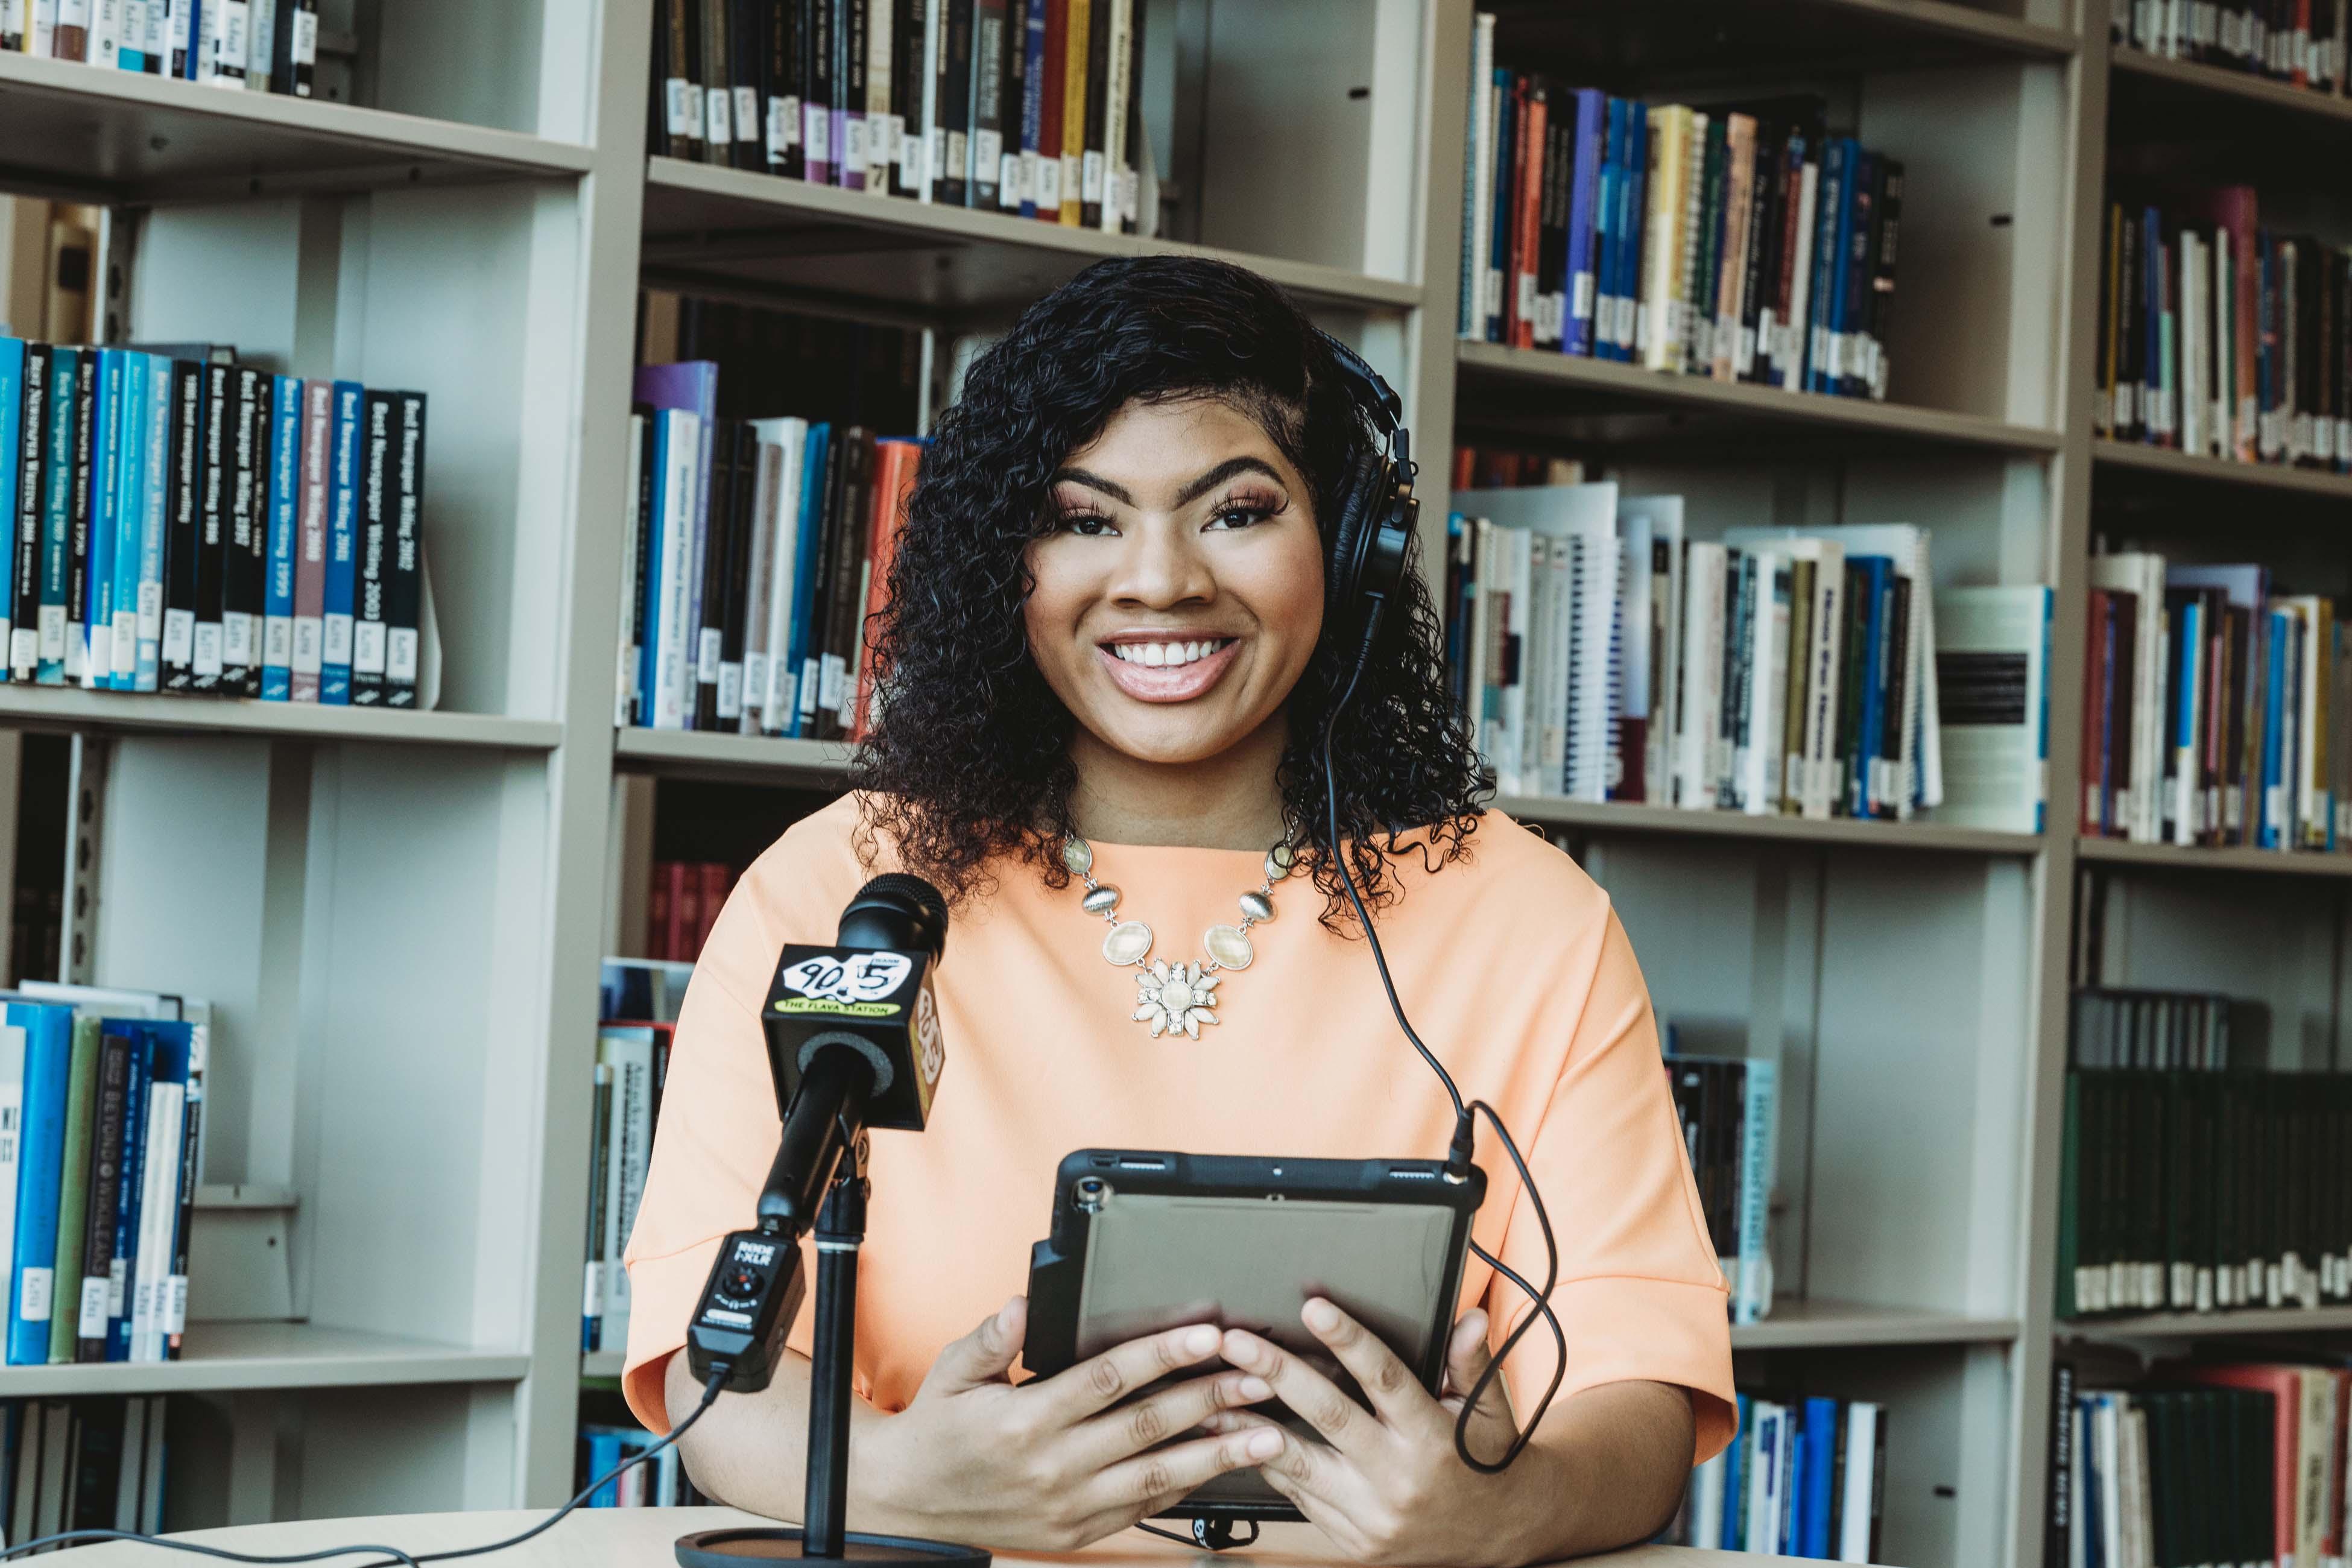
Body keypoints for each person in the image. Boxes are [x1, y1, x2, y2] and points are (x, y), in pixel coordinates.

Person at [621, 256, 1734, 1564]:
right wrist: (902, 1478)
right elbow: (714, 1383)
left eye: (1237, 509)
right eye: (1086, 519)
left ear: (1352, 544)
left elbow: (1643, 1398)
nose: (1159, 581)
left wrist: (1494, 1515)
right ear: (1003, 561)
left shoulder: (1531, 918)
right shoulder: (843, 895)